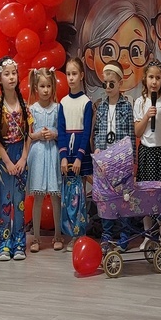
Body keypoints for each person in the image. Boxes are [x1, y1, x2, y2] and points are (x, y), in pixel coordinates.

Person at [92, 61, 135, 252]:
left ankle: (125, 233)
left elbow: (131, 135)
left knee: (124, 197)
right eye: (105, 83)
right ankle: (107, 234)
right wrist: (98, 149)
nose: (108, 87)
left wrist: (131, 160)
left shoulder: (126, 106)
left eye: (112, 83)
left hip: (122, 160)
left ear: (120, 83)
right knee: (106, 198)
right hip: (105, 160)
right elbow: (97, 131)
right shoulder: (101, 107)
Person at [0, 56, 29, 261]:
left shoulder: (23, 104)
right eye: (7, 74)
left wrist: (23, 158)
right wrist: (6, 161)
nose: (11, 77)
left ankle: (20, 244)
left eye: (14, 73)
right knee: (6, 202)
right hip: (5, 156)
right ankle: (5, 244)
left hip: (20, 155)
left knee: (19, 203)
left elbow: (29, 134)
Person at [133, 59, 161, 249]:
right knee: (146, 197)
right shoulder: (140, 103)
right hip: (146, 153)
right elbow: (137, 132)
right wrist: (146, 116)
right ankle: (148, 235)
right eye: (151, 77)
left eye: (158, 78)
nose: (154, 81)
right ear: (145, 79)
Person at [81, 0, 153, 98]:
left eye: (135, 51)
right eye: (109, 50)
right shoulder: (95, 102)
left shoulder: (142, 101)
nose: (124, 62)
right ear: (90, 57)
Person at [57, 57, 93, 252]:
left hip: (81, 153)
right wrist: (64, 156)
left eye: (74, 74)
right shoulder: (63, 103)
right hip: (67, 154)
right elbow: (61, 131)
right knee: (68, 196)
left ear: (81, 76)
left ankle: (81, 234)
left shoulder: (86, 102)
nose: (71, 78)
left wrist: (79, 157)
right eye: (68, 74)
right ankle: (71, 234)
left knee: (80, 195)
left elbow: (86, 132)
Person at [27, 68, 63, 253]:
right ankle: (36, 237)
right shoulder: (32, 109)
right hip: (38, 154)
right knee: (38, 197)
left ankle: (58, 235)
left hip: (53, 154)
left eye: (49, 86)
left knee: (56, 197)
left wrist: (54, 134)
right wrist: (37, 135)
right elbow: (28, 134)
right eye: (42, 86)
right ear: (36, 87)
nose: (46, 90)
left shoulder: (57, 108)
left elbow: (62, 131)